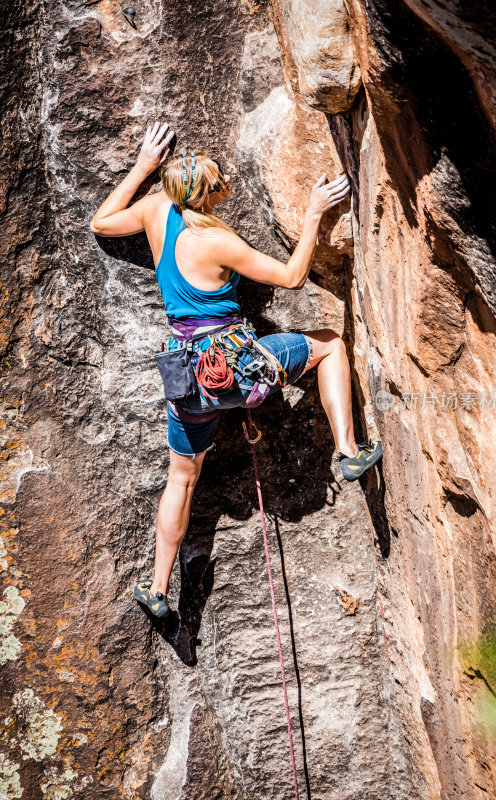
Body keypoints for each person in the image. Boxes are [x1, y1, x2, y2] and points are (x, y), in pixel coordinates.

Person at [90, 120, 383, 618]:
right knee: (330, 346)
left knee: (181, 479)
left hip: (186, 377)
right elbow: (292, 277)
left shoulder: (156, 210)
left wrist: (144, 166)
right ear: (206, 196)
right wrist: (313, 214)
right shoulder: (218, 243)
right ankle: (348, 452)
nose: (227, 185)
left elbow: (102, 222)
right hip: (238, 368)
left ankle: (158, 587)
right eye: (219, 182)